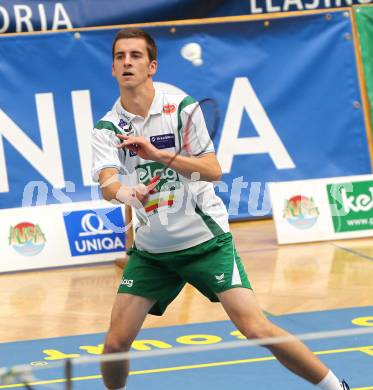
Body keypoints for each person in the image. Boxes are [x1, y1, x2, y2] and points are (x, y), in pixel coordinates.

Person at [91, 27, 350, 390]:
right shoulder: (106, 127)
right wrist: (128, 194)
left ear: (152, 66)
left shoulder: (180, 107)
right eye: (120, 56)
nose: (127, 62)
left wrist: (160, 154)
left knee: (256, 328)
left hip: (205, 243)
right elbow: (107, 184)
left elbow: (212, 170)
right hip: (153, 252)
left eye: (135, 56)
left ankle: (336, 387)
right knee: (115, 346)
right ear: (113, 68)